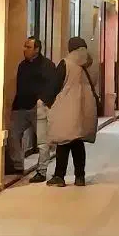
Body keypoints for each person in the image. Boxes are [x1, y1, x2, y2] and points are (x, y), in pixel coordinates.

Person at [46, 36, 99, 186]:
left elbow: (55, 86)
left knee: (63, 142)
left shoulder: (66, 63)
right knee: (77, 144)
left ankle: (59, 176)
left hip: (66, 108)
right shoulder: (89, 65)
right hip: (84, 109)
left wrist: (48, 102)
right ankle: (80, 177)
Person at [7, 36, 56, 179]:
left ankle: (42, 170)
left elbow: (52, 87)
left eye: (28, 47)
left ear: (37, 49)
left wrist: (42, 102)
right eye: (25, 46)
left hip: (38, 108)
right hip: (21, 107)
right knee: (13, 135)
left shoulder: (47, 65)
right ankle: (17, 165)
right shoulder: (22, 65)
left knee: (42, 141)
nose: (24, 50)